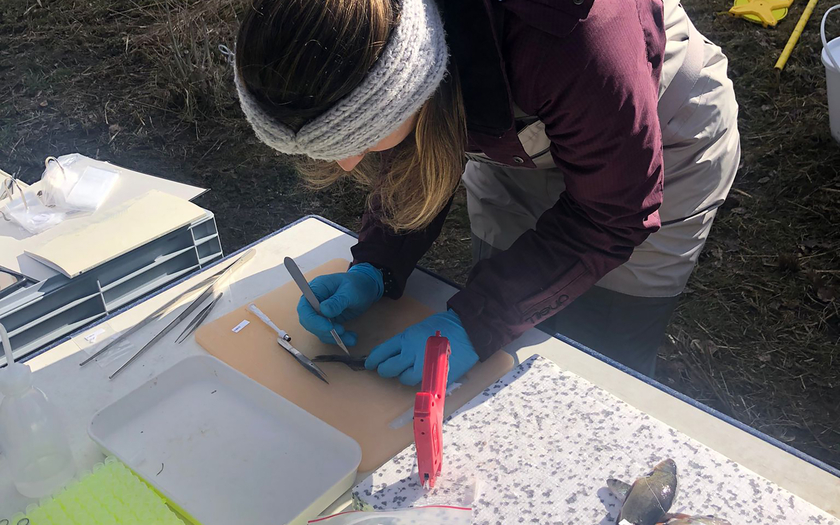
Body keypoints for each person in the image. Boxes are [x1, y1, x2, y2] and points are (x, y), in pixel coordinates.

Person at [233, 0, 740, 384]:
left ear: (414, 79)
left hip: (653, 131)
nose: (349, 164)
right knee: (507, 328)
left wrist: (480, 320)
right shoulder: (376, 32)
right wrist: (377, 261)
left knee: (600, 350)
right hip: (514, 131)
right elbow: (417, 145)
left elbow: (613, 212)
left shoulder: (572, 30)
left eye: (361, 140)